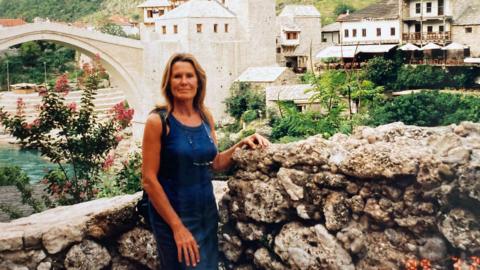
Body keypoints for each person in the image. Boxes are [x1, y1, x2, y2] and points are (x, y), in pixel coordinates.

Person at [142, 53, 270, 269]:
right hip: (174, 217)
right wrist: (177, 228)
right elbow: (149, 180)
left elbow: (215, 164)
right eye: (177, 76)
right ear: (168, 82)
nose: (184, 81)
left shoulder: (205, 117)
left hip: (206, 214)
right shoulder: (158, 121)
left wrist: (242, 144)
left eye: (189, 76)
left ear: (198, 81)